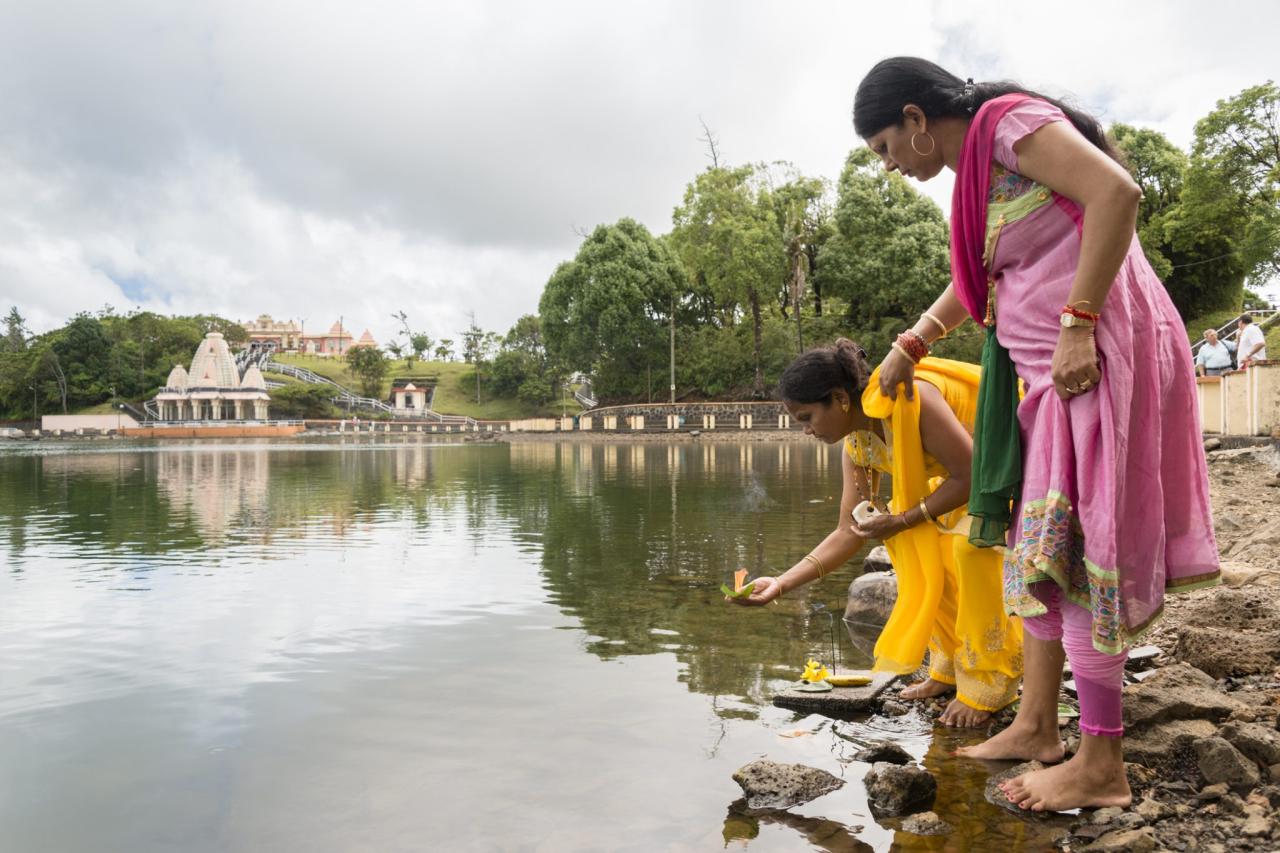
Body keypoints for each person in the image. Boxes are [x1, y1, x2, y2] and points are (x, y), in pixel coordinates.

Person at [854, 58, 1220, 811]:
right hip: (1050, 384)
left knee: (1082, 556)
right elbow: (981, 278)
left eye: (886, 147)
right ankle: (1035, 725)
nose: (889, 166)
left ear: (917, 120)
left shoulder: (1010, 126)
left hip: (1092, 365)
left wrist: (1079, 323)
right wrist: (912, 342)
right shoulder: (980, 176)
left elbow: (1116, 194)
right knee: (1041, 550)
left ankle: (1101, 762)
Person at [728, 339, 1023, 728]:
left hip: (1014, 455)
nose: (805, 431)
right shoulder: (857, 444)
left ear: (839, 398)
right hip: (972, 477)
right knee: (917, 548)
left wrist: (902, 519)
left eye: (807, 417)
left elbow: (973, 476)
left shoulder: (911, 399)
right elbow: (848, 532)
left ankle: (992, 681)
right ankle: (949, 666)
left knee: (966, 548)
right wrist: (781, 584)